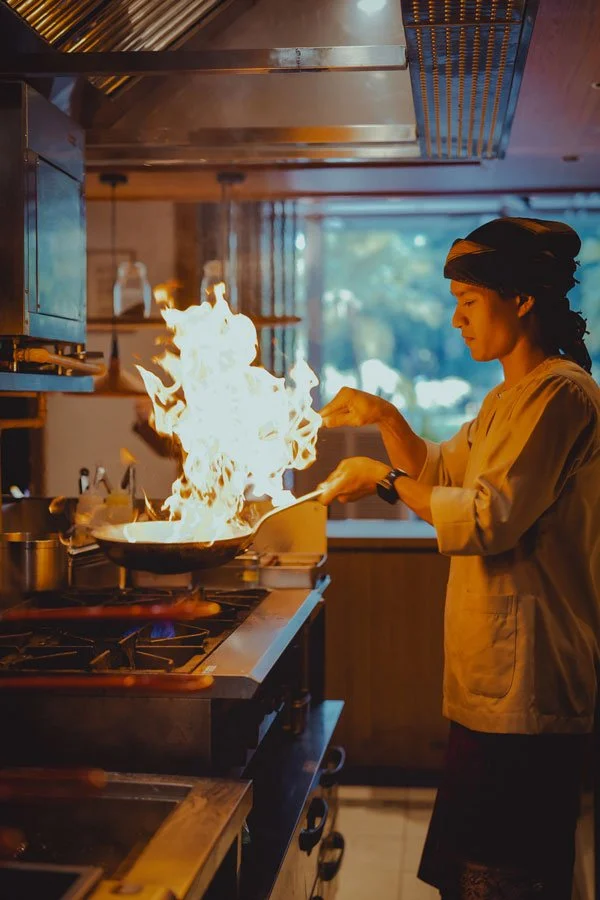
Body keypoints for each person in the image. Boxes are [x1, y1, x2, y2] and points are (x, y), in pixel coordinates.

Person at [318, 217, 600, 900]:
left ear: (521, 300)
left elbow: (485, 517)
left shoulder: (561, 396)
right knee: (471, 876)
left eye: (469, 304)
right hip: (495, 689)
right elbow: (443, 471)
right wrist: (385, 418)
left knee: (504, 881)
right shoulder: (510, 398)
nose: (456, 321)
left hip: (532, 693)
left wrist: (382, 482)